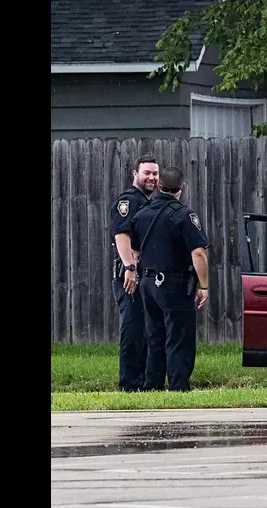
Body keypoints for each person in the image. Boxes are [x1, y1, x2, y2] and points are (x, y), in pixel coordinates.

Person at [127, 166, 211, 392]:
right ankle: (178, 387)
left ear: (160, 187)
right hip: (175, 284)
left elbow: (135, 253)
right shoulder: (185, 216)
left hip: (147, 283)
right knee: (179, 338)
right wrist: (204, 285)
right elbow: (199, 253)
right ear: (181, 188)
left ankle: (152, 386)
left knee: (154, 337)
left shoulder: (140, 215)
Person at [108, 155, 159, 392]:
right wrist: (129, 268)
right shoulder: (128, 201)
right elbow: (122, 235)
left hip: (145, 278)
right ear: (135, 174)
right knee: (133, 329)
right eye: (146, 172)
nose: (151, 177)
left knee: (146, 330)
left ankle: (143, 383)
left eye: (155, 174)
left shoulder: (149, 202)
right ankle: (128, 385)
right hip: (128, 277)